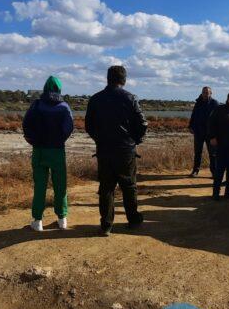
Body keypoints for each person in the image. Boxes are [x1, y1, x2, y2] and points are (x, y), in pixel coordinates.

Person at [84, 65, 148, 236]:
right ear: (124, 80)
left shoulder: (96, 99)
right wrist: (134, 140)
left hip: (104, 150)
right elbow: (143, 124)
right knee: (129, 186)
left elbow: (88, 125)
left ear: (108, 78)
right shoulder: (130, 98)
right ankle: (133, 220)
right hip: (125, 150)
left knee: (106, 187)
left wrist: (100, 139)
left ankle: (106, 225)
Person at [22, 75, 74, 232]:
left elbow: (26, 124)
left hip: (39, 151)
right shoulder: (64, 107)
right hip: (57, 151)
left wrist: (33, 141)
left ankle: (37, 221)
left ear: (45, 88)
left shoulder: (36, 105)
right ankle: (62, 219)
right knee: (60, 185)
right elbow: (68, 128)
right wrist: (59, 140)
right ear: (59, 89)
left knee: (39, 186)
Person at [188, 86, 219, 178]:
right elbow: (194, 115)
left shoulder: (215, 103)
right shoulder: (198, 102)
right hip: (198, 131)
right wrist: (190, 126)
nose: (205, 94)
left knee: (212, 153)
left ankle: (214, 172)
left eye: (207, 92)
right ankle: (195, 170)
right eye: (204, 92)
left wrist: (217, 132)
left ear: (211, 93)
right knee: (197, 152)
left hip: (211, 133)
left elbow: (218, 118)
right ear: (201, 93)